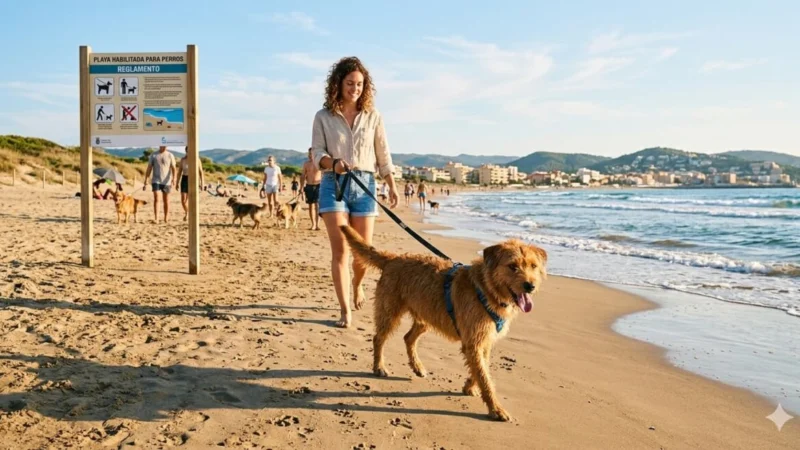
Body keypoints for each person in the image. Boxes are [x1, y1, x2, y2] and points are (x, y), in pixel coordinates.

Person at [311, 56, 398, 328]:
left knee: (363, 254)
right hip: (333, 184)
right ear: (338, 83)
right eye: (350, 83)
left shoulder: (373, 116)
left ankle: (357, 284)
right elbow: (317, 152)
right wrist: (333, 164)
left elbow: (383, 153)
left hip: (364, 184)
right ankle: (345, 310)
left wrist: (391, 184)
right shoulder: (323, 116)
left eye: (359, 84)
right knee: (340, 252)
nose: (355, 89)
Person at [143, 146, 177, 223]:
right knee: (156, 198)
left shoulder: (170, 155)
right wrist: (146, 179)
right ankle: (156, 218)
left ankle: (166, 218)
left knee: (166, 200)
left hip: (166, 181)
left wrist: (174, 178)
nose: (164, 147)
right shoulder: (153, 155)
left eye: (166, 146)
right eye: (163, 145)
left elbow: (174, 168)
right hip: (156, 180)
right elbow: (149, 167)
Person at [176, 148, 205, 221]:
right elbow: (179, 172)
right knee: (183, 200)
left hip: (193, 179)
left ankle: (188, 214)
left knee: (190, 199)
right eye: (187, 151)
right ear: (186, 151)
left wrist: (202, 184)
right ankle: (187, 212)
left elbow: (201, 172)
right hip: (184, 178)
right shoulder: (183, 159)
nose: (189, 153)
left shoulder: (197, 159)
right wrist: (177, 182)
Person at [301, 147, 322, 231]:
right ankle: (313, 224)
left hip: (318, 185)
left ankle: (317, 224)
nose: (310, 155)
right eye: (309, 153)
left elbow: (324, 174)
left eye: (311, 153)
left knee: (317, 205)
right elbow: (303, 176)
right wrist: (301, 188)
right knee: (310, 206)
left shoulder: (319, 163)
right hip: (309, 186)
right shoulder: (306, 164)